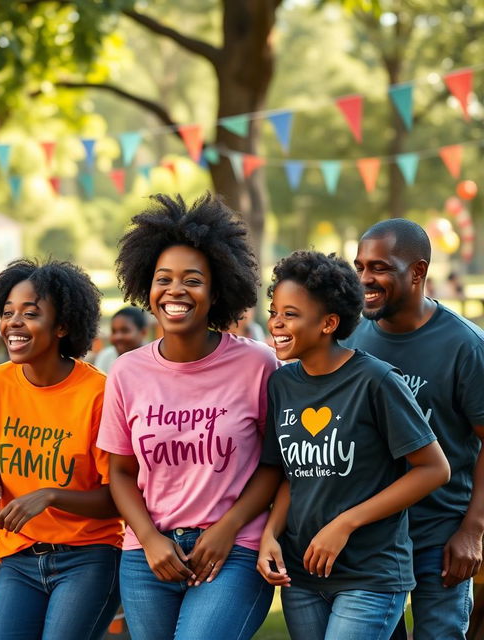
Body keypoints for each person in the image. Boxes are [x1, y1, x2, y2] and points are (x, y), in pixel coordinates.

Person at [97, 193, 283, 640]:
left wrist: (229, 528)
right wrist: (149, 538)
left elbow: (275, 464)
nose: (176, 291)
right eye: (164, 279)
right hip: (149, 554)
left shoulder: (257, 364)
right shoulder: (126, 371)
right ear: (147, 286)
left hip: (235, 549)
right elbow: (120, 472)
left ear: (216, 290)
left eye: (193, 280)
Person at [256, 250, 450, 639]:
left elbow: (434, 469)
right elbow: (292, 476)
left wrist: (345, 523)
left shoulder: (376, 380)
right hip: (302, 575)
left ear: (328, 323)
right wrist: (269, 536)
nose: (276, 323)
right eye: (275, 310)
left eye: (290, 314)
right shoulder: (281, 384)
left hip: (371, 574)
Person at [344, 219, 484, 640]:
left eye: (380, 268)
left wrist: (472, 531)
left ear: (418, 272)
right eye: (360, 266)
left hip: (440, 535)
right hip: (372, 539)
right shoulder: (351, 337)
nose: (366, 279)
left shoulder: (465, 346)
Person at [0, 258, 123, 640]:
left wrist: (51, 495)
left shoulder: (99, 394)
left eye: (30, 313)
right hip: (19, 557)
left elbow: (118, 498)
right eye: (7, 313)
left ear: (62, 326)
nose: (13, 323)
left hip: (89, 556)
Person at [94, 306, 148, 373]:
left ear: (143, 332)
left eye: (125, 330)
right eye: (114, 331)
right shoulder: (106, 357)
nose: (117, 337)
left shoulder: (154, 359)